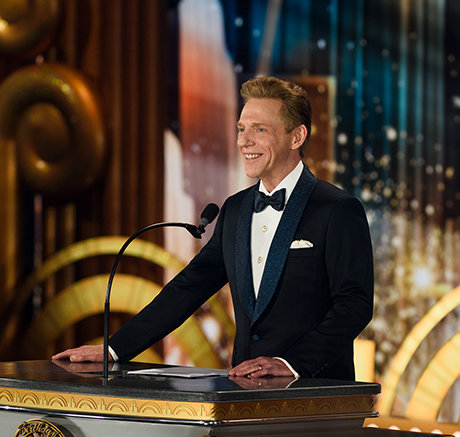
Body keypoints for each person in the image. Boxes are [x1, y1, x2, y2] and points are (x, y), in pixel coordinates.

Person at [53, 76, 374, 380]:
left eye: (260, 129)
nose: (244, 141)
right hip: (244, 392)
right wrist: (113, 349)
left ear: (297, 137)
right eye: (241, 129)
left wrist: (291, 364)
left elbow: (354, 305)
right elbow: (188, 289)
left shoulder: (337, 209)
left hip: (317, 394)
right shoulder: (235, 210)